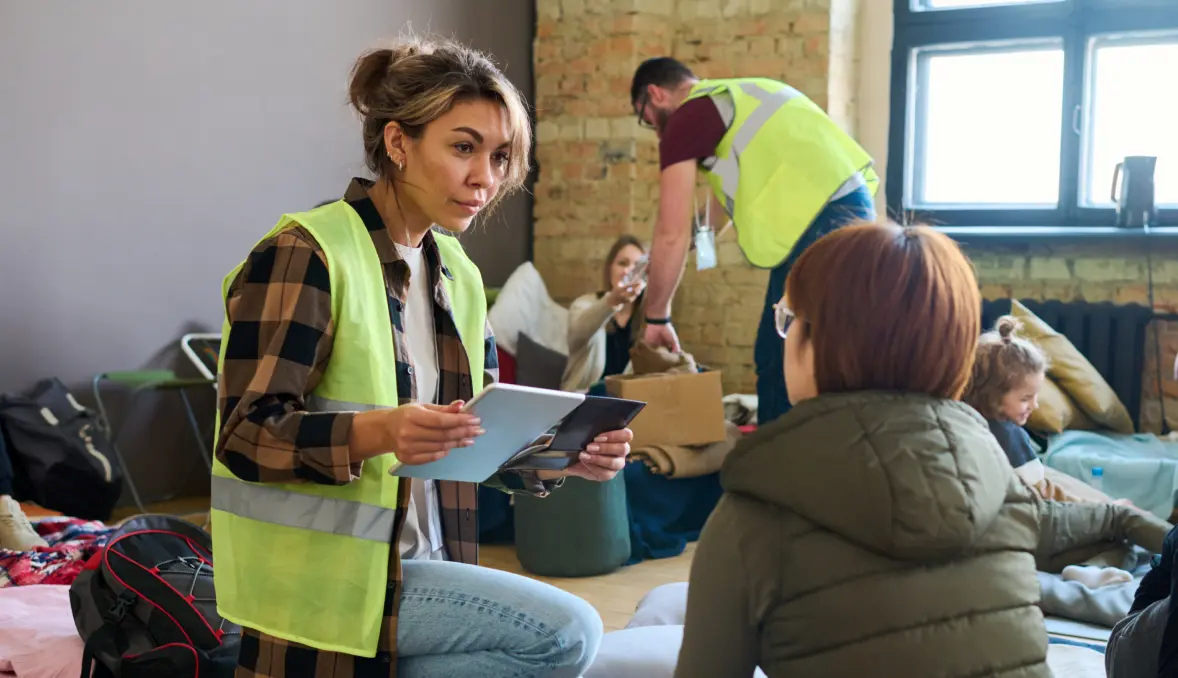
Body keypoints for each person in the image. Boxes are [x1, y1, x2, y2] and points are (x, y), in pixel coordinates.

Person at [209, 37, 633, 678]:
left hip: (421, 566)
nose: (485, 179)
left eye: (500, 157)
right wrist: (379, 430)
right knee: (567, 633)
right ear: (397, 144)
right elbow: (244, 435)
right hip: (324, 589)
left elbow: (478, 440)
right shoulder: (307, 254)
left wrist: (564, 454)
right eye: (463, 148)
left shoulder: (457, 274)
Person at [675, 221, 1053, 677]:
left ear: (821, 341)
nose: (786, 334)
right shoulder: (1001, 475)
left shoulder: (754, 516)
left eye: (789, 319)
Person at [629, 57, 878, 425]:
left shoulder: (686, 119)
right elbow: (710, 218)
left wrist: (656, 315)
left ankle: (776, 469)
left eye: (644, 117)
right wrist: (671, 256)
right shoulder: (739, 99)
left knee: (783, 357)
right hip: (848, 215)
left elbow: (671, 230)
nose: (653, 130)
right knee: (808, 354)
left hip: (819, 225)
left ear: (655, 94)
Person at [562, 235, 646, 392]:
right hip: (584, 400)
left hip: (626, 405)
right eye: (622, 263)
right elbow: (578, 333)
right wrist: (612, 302)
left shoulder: (648, 319)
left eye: (637, 266)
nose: (628, 271)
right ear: (609, 269)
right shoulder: (584, 305)